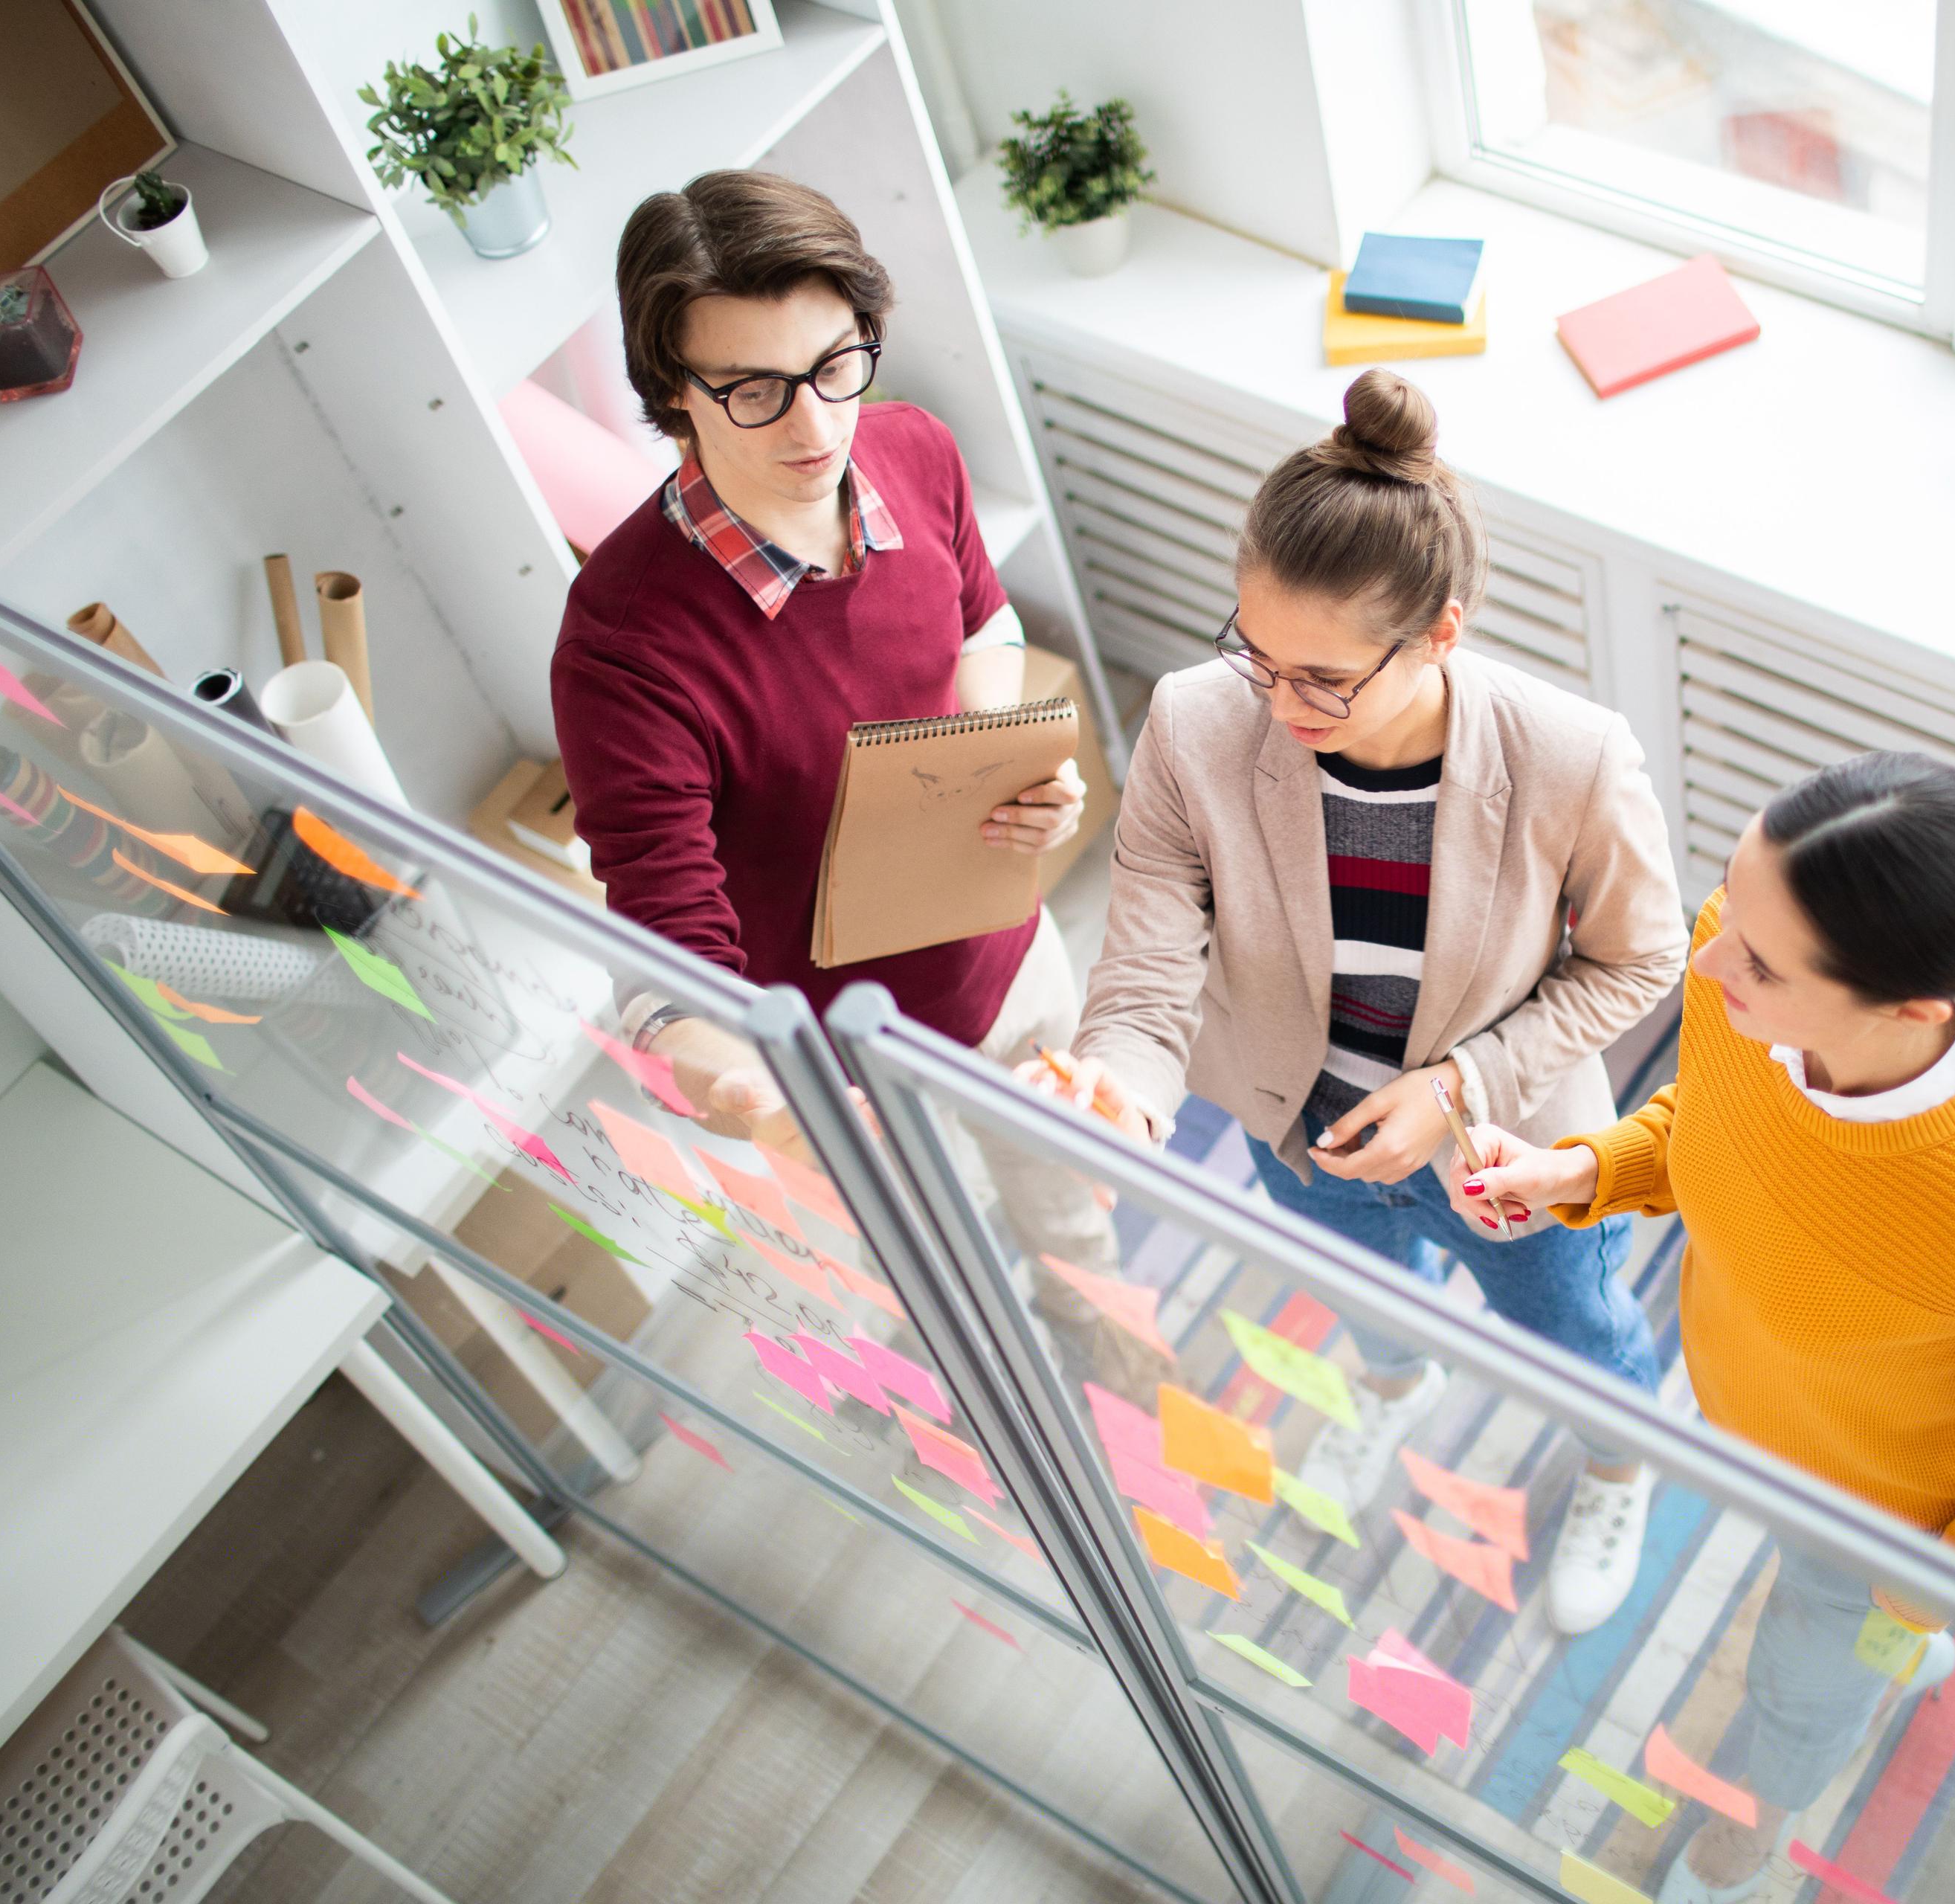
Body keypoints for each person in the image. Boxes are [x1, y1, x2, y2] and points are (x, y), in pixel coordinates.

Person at [1049, 369, 1689, 1633]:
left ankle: (1619, 1464)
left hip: (1508, 1156)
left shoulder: (1572, 755)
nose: (1279, 709)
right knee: (1367, 1299)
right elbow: (1153, 943)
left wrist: (1457, 1090)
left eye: (1324, 681)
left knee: (1578, 1338)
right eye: (1257, 653)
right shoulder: (1197, 718)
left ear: (1442, 634)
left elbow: (1640, 960)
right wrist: (1117, 1077)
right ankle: (1394, 1393)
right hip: (1300, 1131)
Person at [1462, 753, 1955, 1903]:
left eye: (1762, 964)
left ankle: (1756, 1832)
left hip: (1883, 1532)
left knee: (1800, 1684)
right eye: (1729, 897)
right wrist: (1577, 1170)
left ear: (1915, 1009)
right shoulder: (1740, 962)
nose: (1709, 949)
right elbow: (1709, 1127)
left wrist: (1919, 1595)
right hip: (1749, 1422)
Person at [550, 172, 1140, 1378]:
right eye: (755, 391)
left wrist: (998, 769)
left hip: (1007, 956)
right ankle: (982, 1399)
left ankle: (1112, 1355)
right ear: (672, 394)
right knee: (924, 1286)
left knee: (1076, 1215)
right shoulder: (622, 641)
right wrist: (749, 1090)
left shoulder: (913, 449)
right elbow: (669, 947)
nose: (816, 427)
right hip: (838, 1061)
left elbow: (983, 626)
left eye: (835, 365)